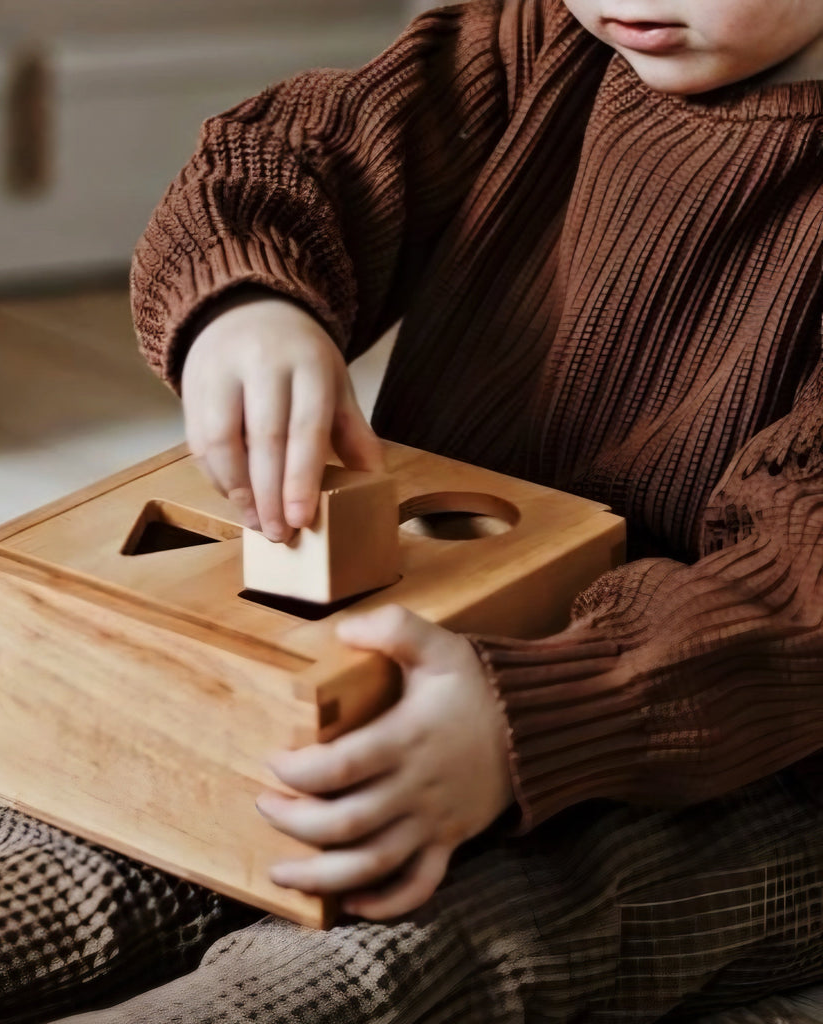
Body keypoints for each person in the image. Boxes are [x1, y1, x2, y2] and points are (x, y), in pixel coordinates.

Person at [61, 1, 823, 1020]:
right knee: (144, 831)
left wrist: (532, 717)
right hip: (450, 648)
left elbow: (794, 598)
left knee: (421, 936)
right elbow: (294, 152)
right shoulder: (537, 43)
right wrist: (247, 305)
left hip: (750, 748)